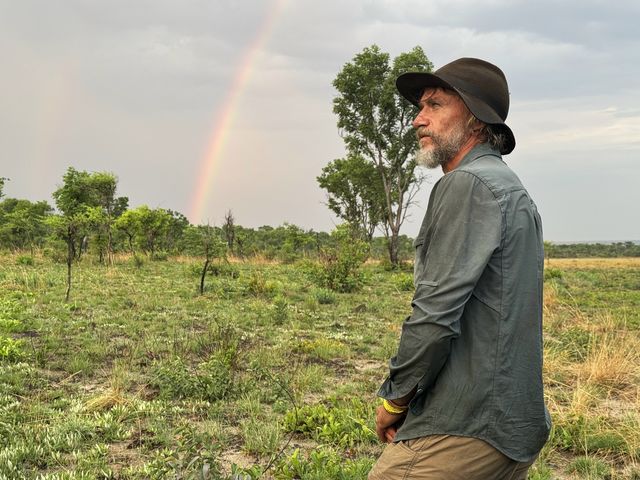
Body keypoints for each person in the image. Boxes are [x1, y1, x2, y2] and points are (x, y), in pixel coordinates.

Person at [368, 58, 551, 479]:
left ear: (475, 119)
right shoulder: (510, 188)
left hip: (465, 427)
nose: (418, 119)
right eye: (420, 107)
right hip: (512, 427)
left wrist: (395, 399)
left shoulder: (468, 184)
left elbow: (434, 315)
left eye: (434, 105)